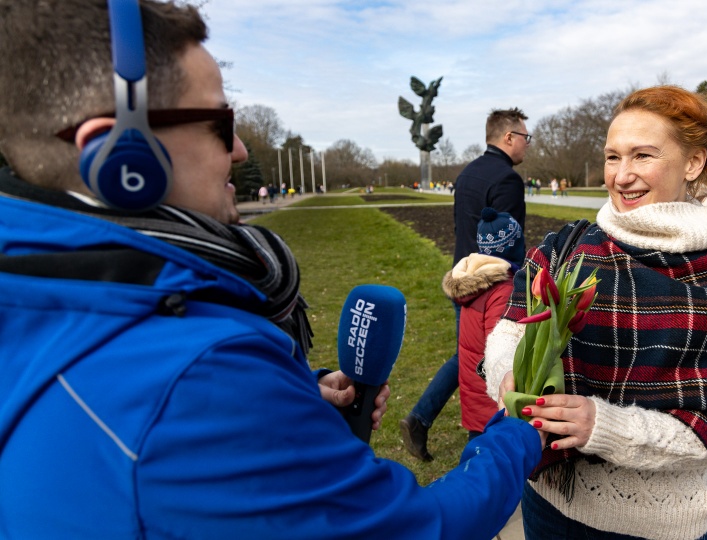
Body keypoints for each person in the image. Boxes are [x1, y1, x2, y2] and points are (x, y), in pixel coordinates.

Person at [0, 2, 543, 538]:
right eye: (218, 122)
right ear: (121, 159)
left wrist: (297, 394)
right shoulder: (203, 375)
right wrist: (515, 432)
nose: (239, 150)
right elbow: (420, 529)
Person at [484, 86, 707, 540]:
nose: (622, 176)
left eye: (643, 156)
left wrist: (603, 426)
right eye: (613, 157)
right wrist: (508, 376)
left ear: (693, 163)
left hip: (655, 525)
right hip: (549, 500)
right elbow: (511, 328)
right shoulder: (568, 244)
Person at [400, 106, 530, 461]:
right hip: (490, 284)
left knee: (470, 355)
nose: (527, 145)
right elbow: (509, 243)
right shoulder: (507, 179)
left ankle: (421, 419)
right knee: (491, 359)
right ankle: (486, 437)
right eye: (525, 137)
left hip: (464, 277)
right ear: (508, 137)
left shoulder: (469, 172)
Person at [444, 208, 525, 440]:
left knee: (479, 453)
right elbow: (500, 345)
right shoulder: (503, 290)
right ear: (514, 246)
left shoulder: (474, 282)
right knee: (493, 463)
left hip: (474, 392)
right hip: (491, 396)